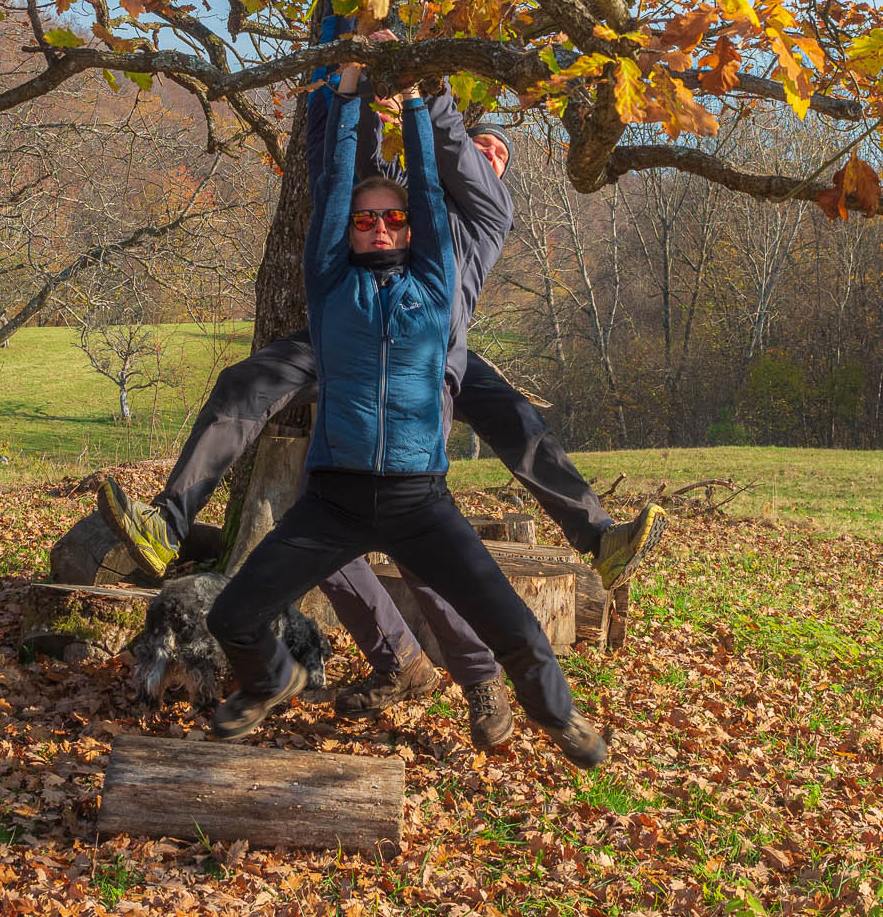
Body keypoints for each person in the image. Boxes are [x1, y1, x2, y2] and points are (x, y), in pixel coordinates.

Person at [202, 63, 608, 768]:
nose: (383, 228)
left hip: (421, 501)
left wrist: (419, 98)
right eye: (368, 221)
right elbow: (332, 180)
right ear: (350, 232)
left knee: (517, 633)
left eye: (395, 219)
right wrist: (352, 90)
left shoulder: (434, 276)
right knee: (231, 617)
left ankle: (559, 719)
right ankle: (270, 679)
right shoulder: (329, 286)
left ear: (413, 228)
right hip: (331, 501)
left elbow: (429, 182)